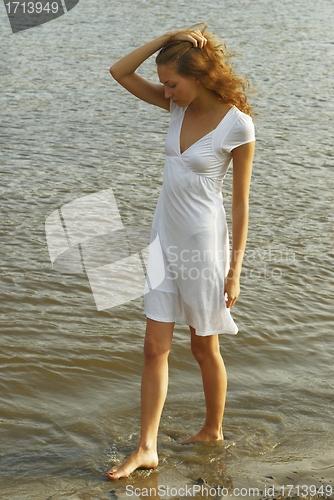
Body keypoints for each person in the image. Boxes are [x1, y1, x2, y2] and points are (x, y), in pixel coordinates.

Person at [106, 24, 255, 480]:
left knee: (202, 345)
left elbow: (241, 203)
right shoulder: (175, 107)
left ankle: (212, 430)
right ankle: (146, 447)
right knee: (154, 347)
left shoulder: (237, 124)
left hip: (203, 245)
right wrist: (167, 37)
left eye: (172, 82)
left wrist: (235, 270)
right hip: (163, 239)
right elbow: (120, 71)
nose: (167, 91)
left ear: (201, 76)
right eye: (165, 84)